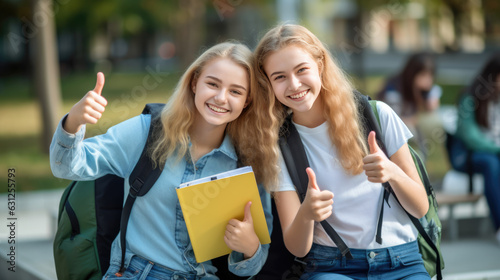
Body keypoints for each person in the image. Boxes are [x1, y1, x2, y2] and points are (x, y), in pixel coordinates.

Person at [50, 42, 278, 279]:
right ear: (194, 83)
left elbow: (252, 267)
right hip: (137, 273)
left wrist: (250, 248)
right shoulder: (147, 132)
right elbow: (65, 166)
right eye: (212, 84)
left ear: (248, 100)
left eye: (236, 91)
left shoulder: (247, 163)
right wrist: (74, 122)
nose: (221, 98)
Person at [254, 24, 430, 279]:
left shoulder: (377, 115)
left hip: (402, 262)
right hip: (331, 266)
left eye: (302, 70)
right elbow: (297, 247)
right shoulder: (279, 145)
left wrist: (392, 172)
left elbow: (420, 207)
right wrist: (306, 213)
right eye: (279, 77)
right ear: (268, 83)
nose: (294, 84)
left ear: (320, 66)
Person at [454, 53, 500, 244]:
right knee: (491, 163)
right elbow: (471, 137)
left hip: (494, 155)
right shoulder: (470, 98)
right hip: (467, 156)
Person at [376, 52, 443, 159]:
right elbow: (393, 121)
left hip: (410, 134)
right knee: (428, 123)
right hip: (391, 136)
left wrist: (428, 103)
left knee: (434, 121)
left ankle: (419, 158)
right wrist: (417, 118)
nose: (428, 80)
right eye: (423, 75)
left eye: (430, 75)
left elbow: (431, 108)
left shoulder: (424, 91)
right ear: (412, 73)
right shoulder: (393, 90)